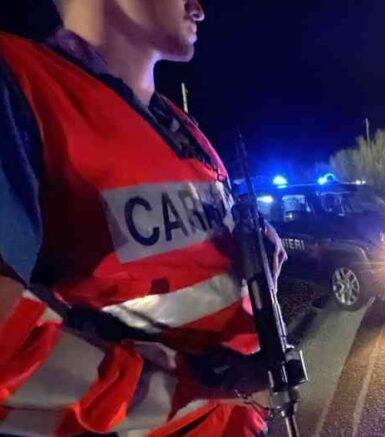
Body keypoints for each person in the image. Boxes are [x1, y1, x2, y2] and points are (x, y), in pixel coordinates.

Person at [0, 0, 288, 435]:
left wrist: (251, 269)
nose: (199, 8)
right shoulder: (19, 85)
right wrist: (195, 385)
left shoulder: (181, 126)